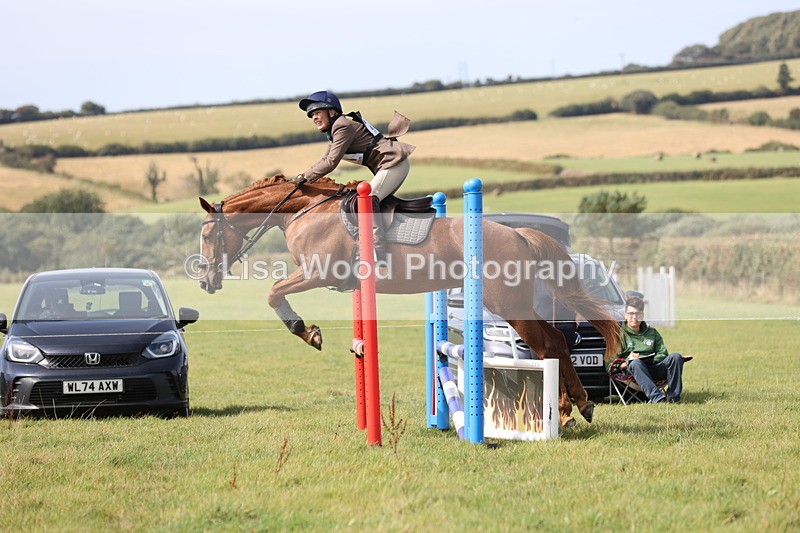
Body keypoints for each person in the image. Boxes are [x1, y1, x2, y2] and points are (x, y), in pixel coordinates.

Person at [296, 90, 415, 260]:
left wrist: (303, 177)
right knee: (375, 202)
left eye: (317, 112)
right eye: (311, 115)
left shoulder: (342, 126)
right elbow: (325, 159)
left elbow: (330, 162)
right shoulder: (336, 131)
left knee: (366, 200)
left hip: (394, 164)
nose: (314, 117)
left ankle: (376, 250)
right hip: (390, 165)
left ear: (332, 112)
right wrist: (304, 177)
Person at [612, 295, 687, 403]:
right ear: (625, 315)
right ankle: (658, 398)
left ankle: (673, 397)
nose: (634, 317)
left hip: (654, 367)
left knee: (676, 357)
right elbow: (612, 364)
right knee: (636, 363)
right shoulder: (618, 335)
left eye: (638, 314)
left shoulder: (652, 332)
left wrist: (649, 359)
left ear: (642, 315)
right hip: (633, 371)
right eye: (631, 313)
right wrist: (628, 360)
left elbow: (662, 353)